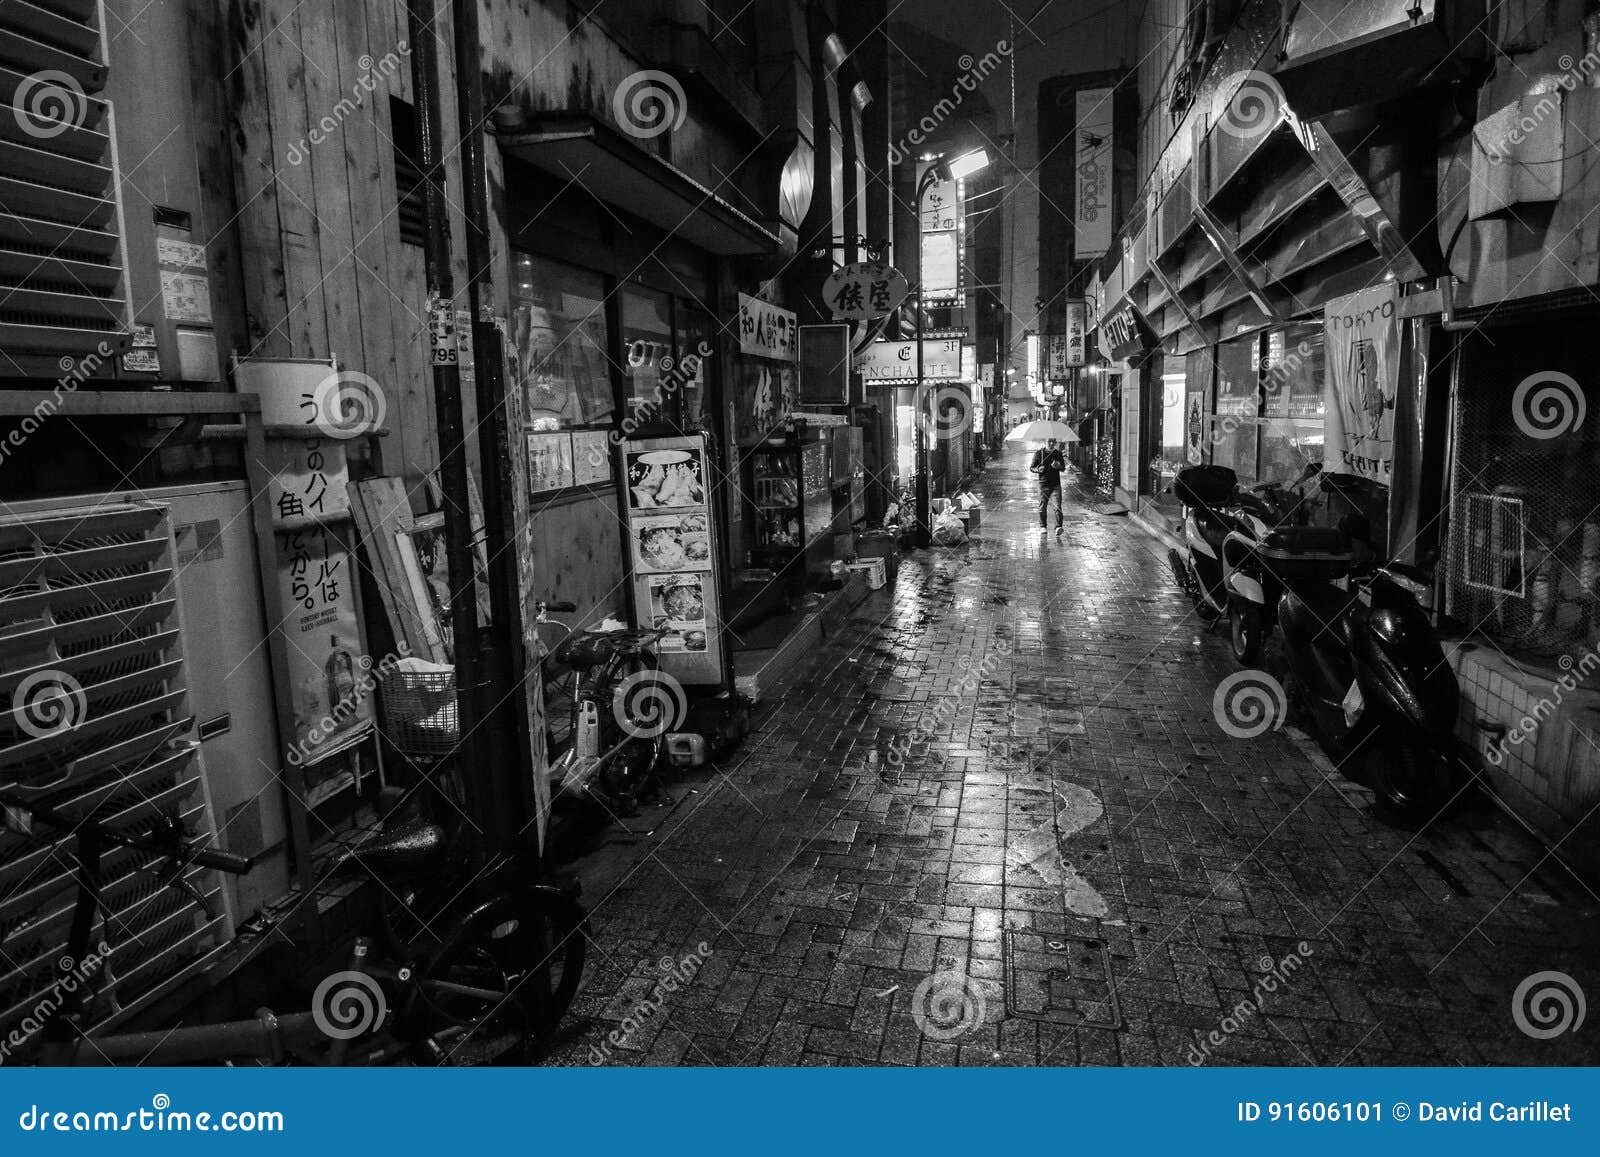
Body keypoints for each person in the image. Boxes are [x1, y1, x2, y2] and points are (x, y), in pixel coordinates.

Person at [1030, 438, 1067, 532]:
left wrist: (1058, 466)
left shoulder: (1057, 453)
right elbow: (1032, 467)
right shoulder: (1039, 453)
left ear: (1055, 442)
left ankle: (1058, 526)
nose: (1051, 443)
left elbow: (1063, 468)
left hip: (1055, 484)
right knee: (1042, 507)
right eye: (1049, 441)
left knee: (1057, 506)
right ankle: (1043, 526)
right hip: (1043, 484)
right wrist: (1038, 470)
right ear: (1044, 442)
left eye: (1053, 441)